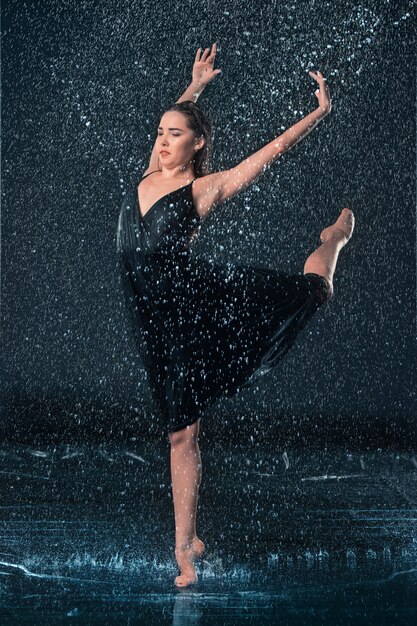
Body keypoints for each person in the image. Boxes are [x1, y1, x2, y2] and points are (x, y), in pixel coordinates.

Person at [116, 43, 354, 588]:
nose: (162, 141)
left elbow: (265, 156)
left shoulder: (201, 190)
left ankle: (183, 552)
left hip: (192, 312)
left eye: (175, 135)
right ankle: (188, 537)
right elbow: (171, 123)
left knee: (182, 434)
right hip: (149, 321)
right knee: (179, 430)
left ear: (197, 145)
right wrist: (195, 85)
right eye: (159, 134)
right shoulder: (148, 174)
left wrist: (318, 114)